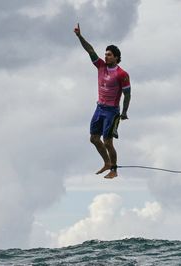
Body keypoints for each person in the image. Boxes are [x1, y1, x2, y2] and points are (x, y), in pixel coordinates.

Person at [74, 23, 131, 179]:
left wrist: (124, 112)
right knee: (93, 138)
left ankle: (114, 169)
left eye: (109, 55)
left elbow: (128, 94)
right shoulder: (100, 66)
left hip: (112, 112)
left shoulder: (122, 74)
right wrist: (80, 36)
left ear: (117, 58)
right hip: (99, 108)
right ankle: (106, 162)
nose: (106, 56)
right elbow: (90, 50)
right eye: (105, 54)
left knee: (107, 142)